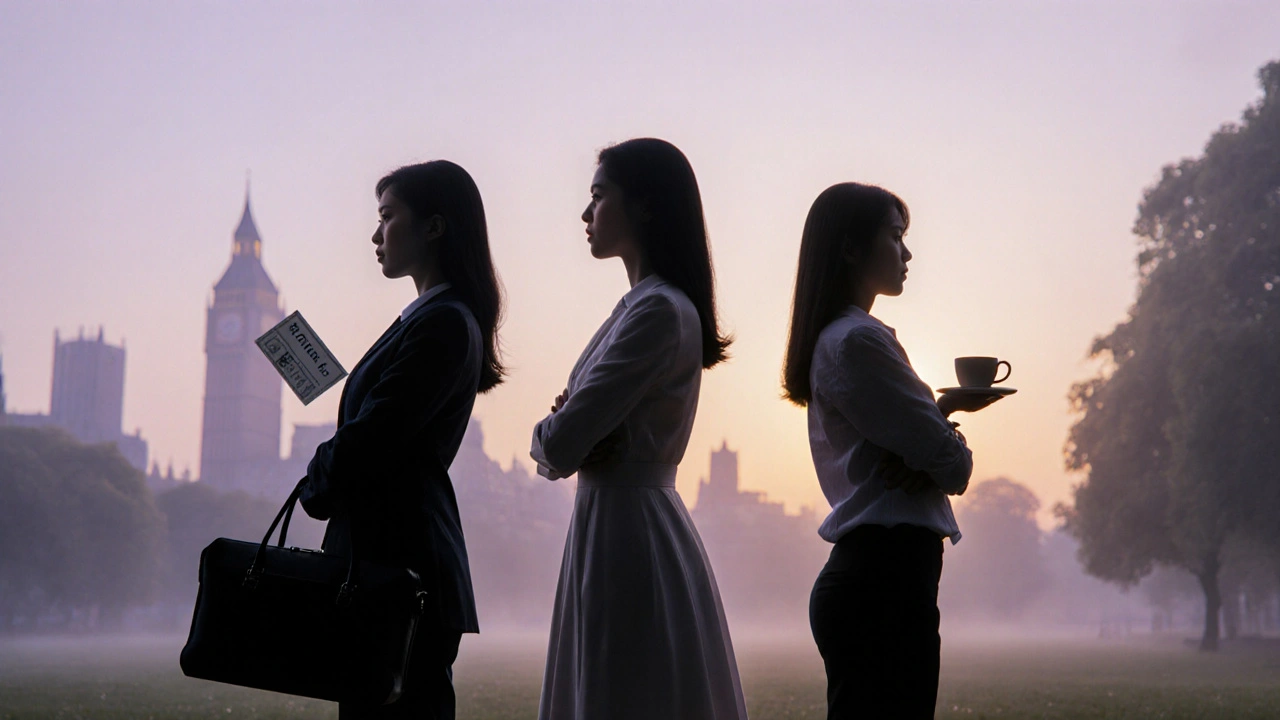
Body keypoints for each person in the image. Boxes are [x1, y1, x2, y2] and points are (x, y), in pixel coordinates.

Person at [530, 138, 748, 720]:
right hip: (618, 522)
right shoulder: (643, 308)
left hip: (627, 532)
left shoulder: (655, 311)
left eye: (599, 197)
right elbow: (569, 438)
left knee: (621, 684)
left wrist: (561, 423)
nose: (586, 213)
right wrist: (568, 425)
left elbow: (560, 443)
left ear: (645, 206)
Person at [781, 183, 997, 719]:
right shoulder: (858, 342)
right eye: (896, 236)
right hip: (884, 583)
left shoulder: (843, 339)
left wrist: (939, 415)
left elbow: (917, 444)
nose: (907, 253)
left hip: (880, 578)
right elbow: (954, 467)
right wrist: (941, 439)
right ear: (852, 247)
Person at [299, 160, 504, 719]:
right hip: (392, 565)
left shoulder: (441, 323)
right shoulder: (433, 319)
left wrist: (315, 482)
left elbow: (374, 436)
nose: (375, 233)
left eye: (388, 216)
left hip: (400, 568)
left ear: (434, 227)